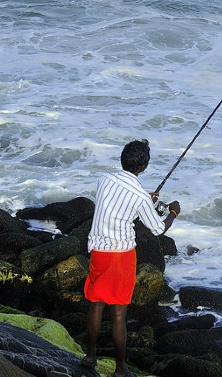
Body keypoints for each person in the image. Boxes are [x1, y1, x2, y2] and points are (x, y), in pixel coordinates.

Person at [81, 139, 180, 377]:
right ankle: (120, 368)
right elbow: (157, 229)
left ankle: (90, 355)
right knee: (118, 313)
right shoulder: (140, 197)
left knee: (96, 304)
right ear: (144, 166)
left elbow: (117, 202)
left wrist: (145, 200)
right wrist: (174, 212)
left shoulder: (104, 179)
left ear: (122, 159)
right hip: (121, 257)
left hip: (98, 251)